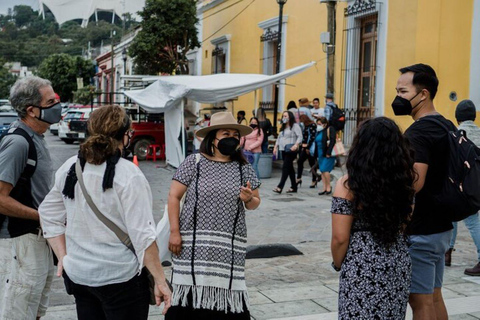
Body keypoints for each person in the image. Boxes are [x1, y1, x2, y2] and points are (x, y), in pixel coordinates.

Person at [38, 105, 171, 319]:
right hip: (120, 278)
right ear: (126, 135)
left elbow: (47, 213)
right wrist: (160, 280)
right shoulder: (129, 176)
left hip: (80, 275)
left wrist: (63, 257)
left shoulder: (71, 167)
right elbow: (143, 238)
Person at [166, 112, 261, 319]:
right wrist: (174, 232)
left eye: (235, 135)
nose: (231, 138)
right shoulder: (194, 162)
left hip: (227, 246)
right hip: (192, 244)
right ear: (213, 137)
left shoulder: (243, 167)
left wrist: (248, 198)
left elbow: (255, 203)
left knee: (226, 303)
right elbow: (174, 196)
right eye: (226, 133)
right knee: (188, 303)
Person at [331, 116, 415, 319]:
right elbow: (405, 223)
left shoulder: (348, 185)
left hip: (362, 262)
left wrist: (338, 263)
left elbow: (340, 238)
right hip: (397, 258)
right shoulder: (405, 182)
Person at [394, 63, 454, 319]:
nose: (398, 97)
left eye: (403, 91)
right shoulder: (446, 124)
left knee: (420, 303)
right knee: (434, 296)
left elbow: (414, 183)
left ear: (423, 94)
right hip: (442, 227)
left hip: (420, 229)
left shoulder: (418, 132)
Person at [0, 76, 60, 319]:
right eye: (51, 101)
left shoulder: (37, 138)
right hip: (20, 241)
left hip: (39, 238)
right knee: (19, 311)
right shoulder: (18, 142)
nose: (57, 105)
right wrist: (41, 216)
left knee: (35, 309)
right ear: (32, 110)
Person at [445, 99, 480, 276]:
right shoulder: (479, 133)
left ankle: (447, 252)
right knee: (460, 217)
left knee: (469, 220)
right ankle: (448, 252)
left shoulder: (458, 135)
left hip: (465, 185)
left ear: (457, 118)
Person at [272, 111, 302, 193]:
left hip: (291, 149)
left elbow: (300, 136)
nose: (284, 117)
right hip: (283, 149)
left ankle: (280, 186)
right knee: (290, 168)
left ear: (290, 117)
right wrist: (275, 147)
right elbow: (279, 138)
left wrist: (296, 145)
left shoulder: (295, 126)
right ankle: (294, 187)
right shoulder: (283, 127)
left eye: (285, 116)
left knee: (285, 167)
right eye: (283, 116)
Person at [315, 116, 336, 195]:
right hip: (320, 153)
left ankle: (329, 186)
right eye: (317, 124)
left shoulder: (330, 129)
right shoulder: (320, 131)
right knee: (322, 171)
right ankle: (324, 187)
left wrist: (328, 152)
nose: (318, 126)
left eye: (320, 124)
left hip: (327, 153)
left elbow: (332, 141)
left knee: (325, 169)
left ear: (325, 124)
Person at [296, 114, 317, 188]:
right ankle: (299, 178)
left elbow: (312, 137)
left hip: (310, 147)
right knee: (300, 161)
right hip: (304, 147)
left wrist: (308, 147)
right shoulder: (305, 126)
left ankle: (314, 180)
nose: (300, 121)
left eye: (301, 120)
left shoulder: (312, 125)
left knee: (312, 163)